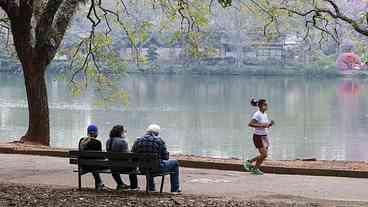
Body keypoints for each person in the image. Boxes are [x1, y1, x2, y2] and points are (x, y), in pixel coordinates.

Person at [131, 124, 181, 193]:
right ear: (157, 133)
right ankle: (175, 189)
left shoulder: (138, 140)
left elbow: (133, 155)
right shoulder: (159, 141)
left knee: (147, 163)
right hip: (157, 169)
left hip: (143, 168)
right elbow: (166, 157)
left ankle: (151, 188)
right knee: (175, 163)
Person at [244, 98, 274, 175]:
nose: (267, 106)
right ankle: (249, 162)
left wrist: (269, 124)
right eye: (265, 105)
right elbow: (250, 124)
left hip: (264, 136)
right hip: (258, 137)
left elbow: (264, 126)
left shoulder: (264, 114)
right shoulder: (257, 114)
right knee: (264, 154)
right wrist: (262, 125)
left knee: (263, 156)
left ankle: (255, 168)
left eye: (267, 105)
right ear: (260, 106)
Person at [106, 125, 138, 191]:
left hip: (112, 166)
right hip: (123, 166)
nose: (125, 133)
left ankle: (120, 184)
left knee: (115, 166)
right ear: (120, 132)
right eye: (124, 131)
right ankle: (134, 187)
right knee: (133, 166)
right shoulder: (123, 142)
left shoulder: (108, 141)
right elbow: (127, 156)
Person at [78, 124, 104, 191]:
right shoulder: (98, 142)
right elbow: (100, 157)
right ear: (96, 133)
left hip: (83, 165)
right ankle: (99, 183)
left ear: (88, 132)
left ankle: (99, 183)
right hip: (94, 165)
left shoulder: (81, 140)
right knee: (96, 164)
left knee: (92, 163)